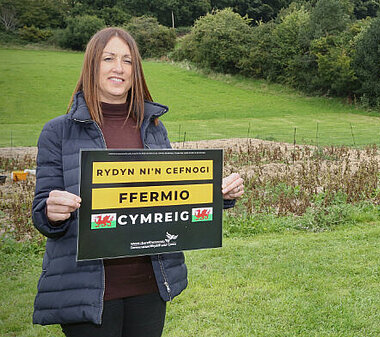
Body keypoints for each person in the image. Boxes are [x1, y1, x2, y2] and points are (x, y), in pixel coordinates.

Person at [31, 27, 245, 336]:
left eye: (127, 61)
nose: (118, 67)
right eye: (109, 58)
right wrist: (52, 211)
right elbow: (42, 213)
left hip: (149, 285)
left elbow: (171, 196)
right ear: (92, 65)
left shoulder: (154, 127)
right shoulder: (58, 132)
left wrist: (220, 194)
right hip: (88, 292)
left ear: (136, 71)